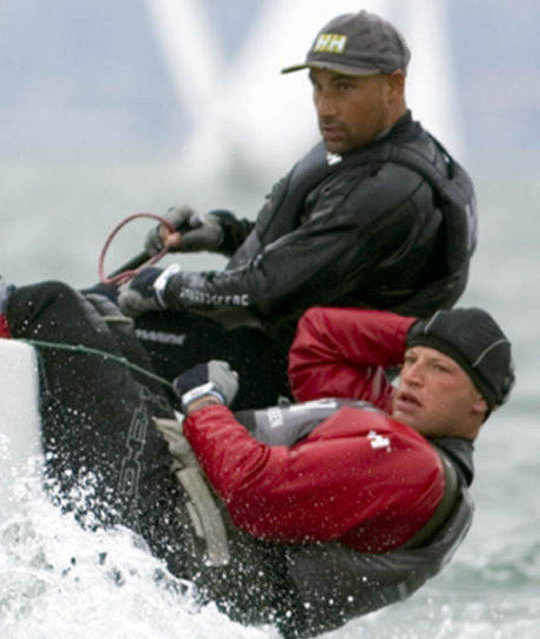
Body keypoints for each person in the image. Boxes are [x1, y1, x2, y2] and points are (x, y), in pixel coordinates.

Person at [0, 282, 514, 637]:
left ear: (480, 406)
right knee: (104, 310)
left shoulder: (407, 462)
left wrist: (204, 402)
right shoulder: (404, 444)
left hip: (182, 535)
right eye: (409, 364)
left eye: (440, 371)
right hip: (194, 524)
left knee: (49, 307)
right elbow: (319, 336)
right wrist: (434, 332)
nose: (412, 378)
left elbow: (256, 496)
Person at [105, 10, 477, 410]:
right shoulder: (362, 150)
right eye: (317, 87)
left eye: (343, 88)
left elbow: (267, 290)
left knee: (67, 312)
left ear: (393, 85)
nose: (325, 107)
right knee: (82, 304)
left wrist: (168, 288)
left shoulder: (389, 191)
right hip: (247, 338)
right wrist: (220, 232)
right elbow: (303, 252)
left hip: (270, 367)